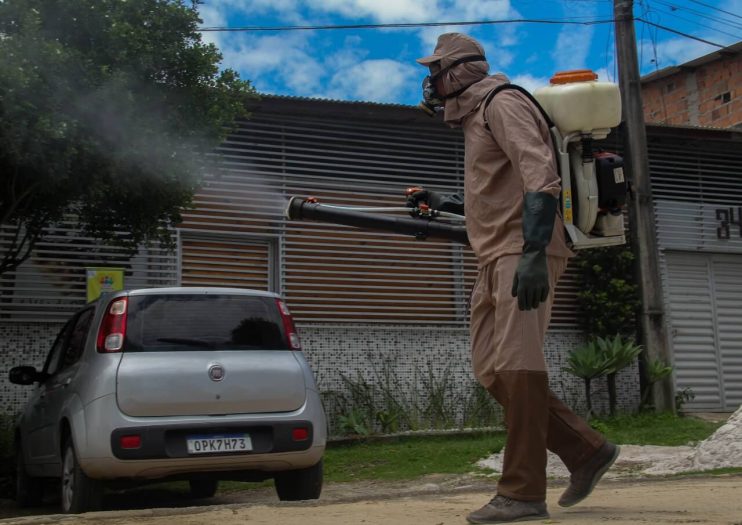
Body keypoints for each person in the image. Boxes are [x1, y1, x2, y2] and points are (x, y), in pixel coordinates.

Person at [408, 32, 620, 524]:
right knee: (492, 369)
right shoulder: (475, 118)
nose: (430, 82)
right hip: (492, 254)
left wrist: (530, 253)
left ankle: (522, 492)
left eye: (435, 71)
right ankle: (587, 450)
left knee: (519, 363)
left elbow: (540, 176)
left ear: (459, 71)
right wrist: (446, 205)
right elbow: (497, 193)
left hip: (522, 252)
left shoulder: (502, 103)